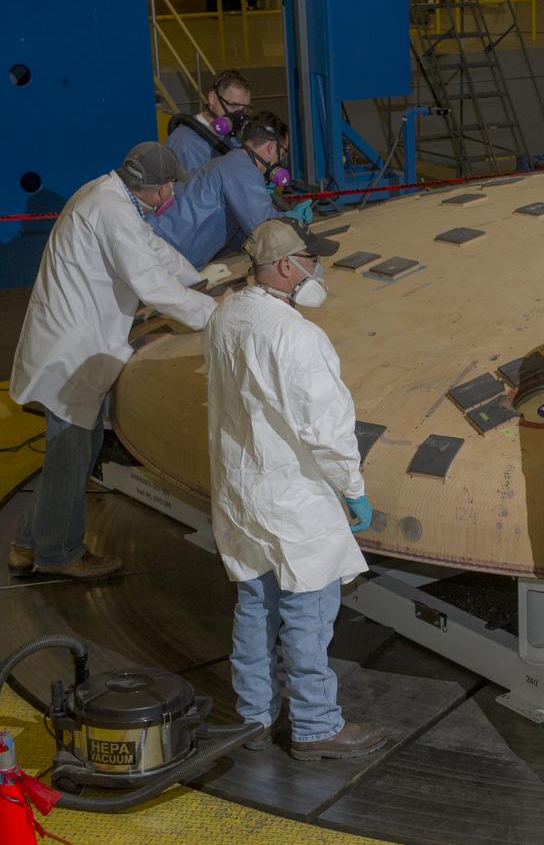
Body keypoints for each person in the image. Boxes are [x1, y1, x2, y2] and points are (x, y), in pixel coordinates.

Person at [203, 216, 384, 760]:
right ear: (286, 266)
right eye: (310, 260)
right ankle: (315, 726)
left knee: (255, 605)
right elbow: (324, 426)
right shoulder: (295, 334)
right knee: (308, 611)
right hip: (292, 494)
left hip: (240, 488)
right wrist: (352, 487)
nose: (316, 269)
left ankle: (253, 718)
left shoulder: (226, 315)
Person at [7, 143, 217, 580]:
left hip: (72, 343)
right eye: (170, 187)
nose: (172, 194)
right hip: (71, 351)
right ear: (158, 188)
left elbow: (152, 250)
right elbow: (150, 283)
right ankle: (59, 553)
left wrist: (198, 282)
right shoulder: (112, 210)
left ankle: (26, 543)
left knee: (74, 452)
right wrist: (217, 315)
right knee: (72, 453)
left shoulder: (110, 196)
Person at [150, 110, 312, 270]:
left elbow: (238, 235)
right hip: (163, 254)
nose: (280, 162)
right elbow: (267, 232)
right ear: (271, 147)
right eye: (281, 154)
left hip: (163, 248)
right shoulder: (243, 170)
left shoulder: (231, 162)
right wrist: (293, 220)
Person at [166, 69, 253, 173]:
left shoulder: (234, 139)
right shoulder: (185, 143)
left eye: (244, 110)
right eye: (234, 106)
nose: (239, 116)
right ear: (213, 99)